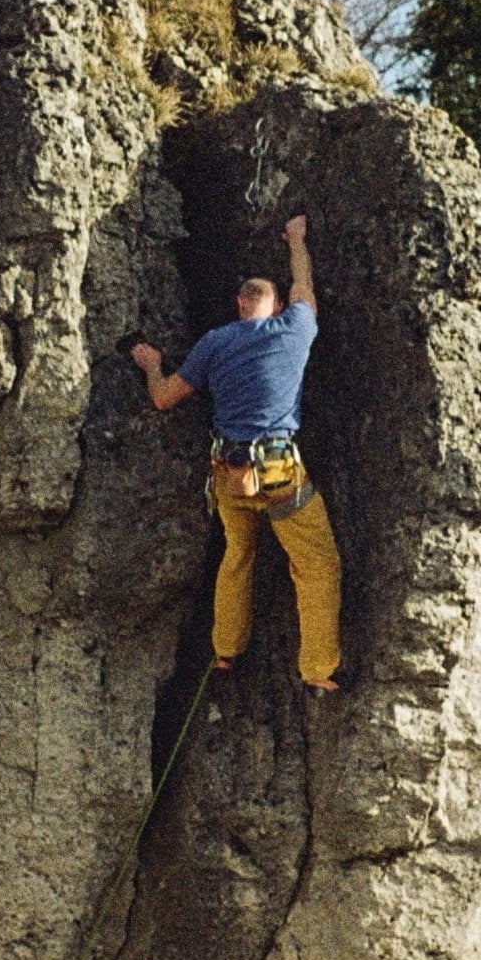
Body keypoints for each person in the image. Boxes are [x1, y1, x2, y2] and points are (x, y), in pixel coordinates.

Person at [131, 214, 344, 693]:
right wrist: (297, 240)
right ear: (279, 306)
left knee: (238, 554)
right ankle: (318, 669)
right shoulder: (294, 329)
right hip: (278, 473)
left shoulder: (214, 342)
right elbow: (304, 281)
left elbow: (164, 397)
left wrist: (151, 365)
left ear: (240, 304)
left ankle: (226, 652)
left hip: (229, 475)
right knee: (315, 566)